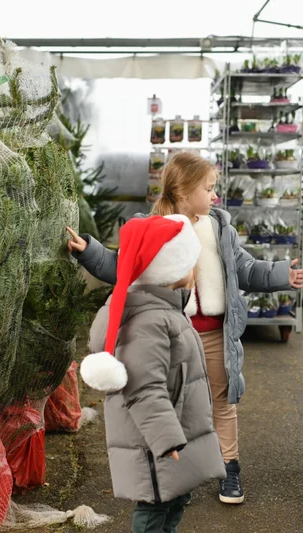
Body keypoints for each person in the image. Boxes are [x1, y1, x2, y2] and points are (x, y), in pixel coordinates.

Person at [68, 151, 303, 504]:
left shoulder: (219, 227)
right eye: (209, 189)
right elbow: (122, 267)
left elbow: (243, 268)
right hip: (170, 335)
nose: (215, 197)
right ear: (184, 190)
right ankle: (182, 471)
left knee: (221, 403)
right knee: (177, 403)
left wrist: (280, 275)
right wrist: (89, 251)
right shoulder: (152, 225)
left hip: (214, 336)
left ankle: (230, 468)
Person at [80, 214, 225, 533]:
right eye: (191, 263)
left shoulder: (167, 310)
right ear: (172, 272)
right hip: (155, 441)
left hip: (173, 431)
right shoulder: (151, 321)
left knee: (172, 504)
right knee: (155, 509)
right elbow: (144, 387)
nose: (195, 270)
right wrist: (167, 439)